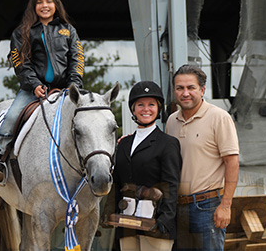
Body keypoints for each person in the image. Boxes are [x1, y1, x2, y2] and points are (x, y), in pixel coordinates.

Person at [0, 0, 85, 186]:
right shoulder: (22, 32)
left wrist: (73, 85)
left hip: (66, 89)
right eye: (40, 2)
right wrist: (34, 85)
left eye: (49, 1)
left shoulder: (68, 30)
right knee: (12, 116)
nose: (44, 5)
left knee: (88, 118)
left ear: (56, 5)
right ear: (33, 7)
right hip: (33, 90)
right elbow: (21, 63)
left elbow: (77, 59)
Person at [165, 64, 239, 251]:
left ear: (202, 89)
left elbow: (232, 162)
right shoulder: (172, 121)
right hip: (177, 207)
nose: (185, 93)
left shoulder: (219, 117)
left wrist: (225, 206)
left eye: (191, 87)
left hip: (207, 207)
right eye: (180, 88)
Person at [102, 81, 182, 251]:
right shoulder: (123, 144)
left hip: (155, 225)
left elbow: (171, 185)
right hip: (126, 224)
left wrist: (165, 221)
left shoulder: (168, 144)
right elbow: (116, 182)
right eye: (140, 105)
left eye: (151, 104)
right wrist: (108, 212)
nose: (146, 109)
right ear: (133, 109)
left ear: (158, 108)